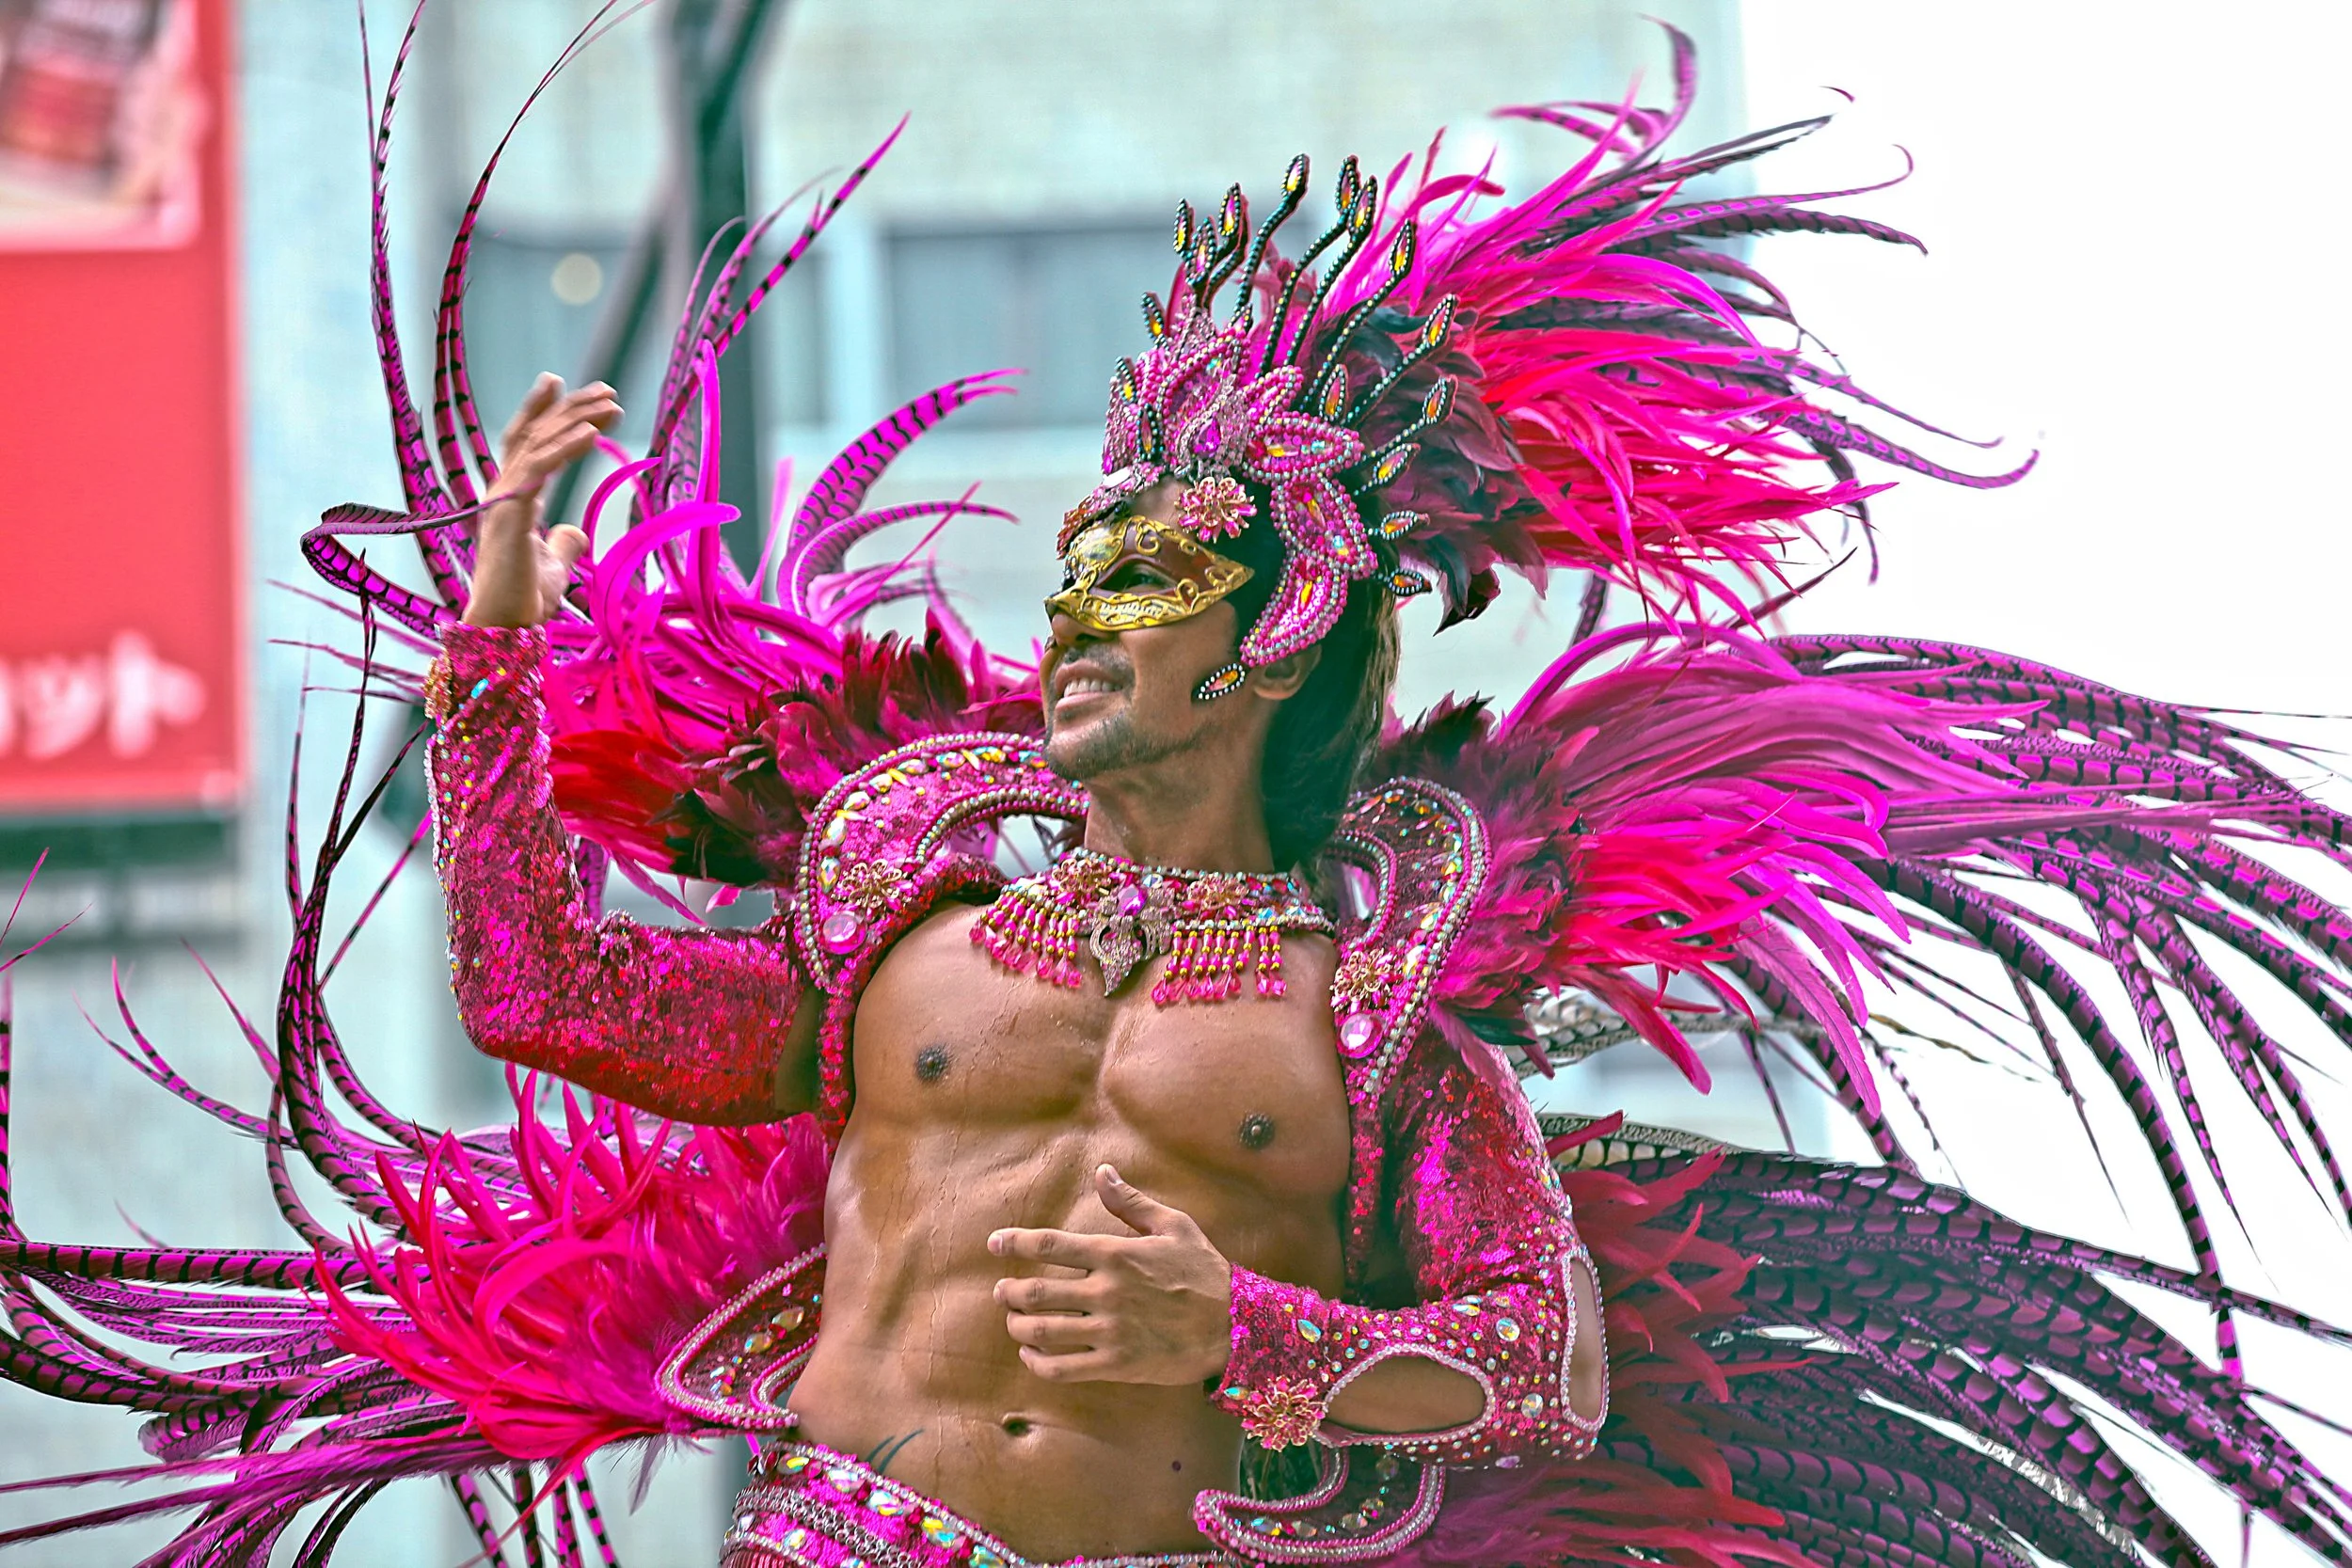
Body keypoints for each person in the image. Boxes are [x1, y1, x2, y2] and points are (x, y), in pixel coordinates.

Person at [2, 22, 2349, 1568]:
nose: (1069, 611)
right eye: (1070, 565)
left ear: (1268, 632)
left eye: (1135, 574)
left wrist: (1239, 1329)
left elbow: (1532, 1363)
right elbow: (543, 992)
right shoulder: (903, 929)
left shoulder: (1380, 1029)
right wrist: (492, 660)